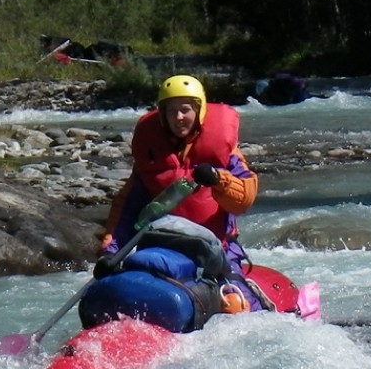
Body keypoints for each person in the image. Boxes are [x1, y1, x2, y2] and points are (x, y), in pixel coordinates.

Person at [98, 74, 260, 292]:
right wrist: (111, 252)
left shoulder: (224, 153)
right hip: (164, 247)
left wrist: (218, 179)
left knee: (233, 302)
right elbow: (127, 209)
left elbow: (244, 200)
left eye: (185, 110)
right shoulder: (151, 156)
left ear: (198, 112)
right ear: (163, 115)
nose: (179, 117)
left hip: (217, 248)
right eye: (172, 111)